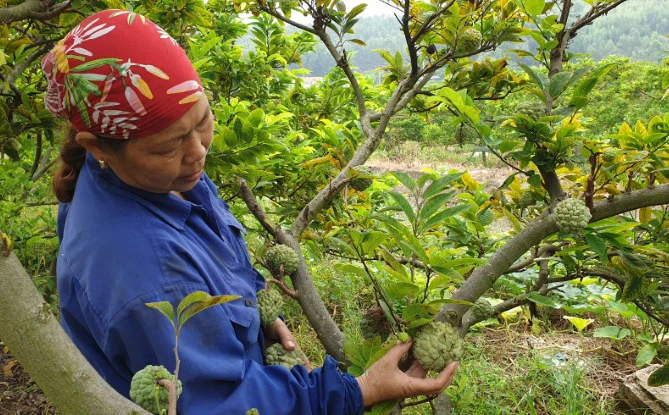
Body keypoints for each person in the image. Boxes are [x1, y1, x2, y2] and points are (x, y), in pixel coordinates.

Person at [44, 9, 458, 414]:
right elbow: (214, 404)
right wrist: (358, 390)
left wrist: (257, 316)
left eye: (203, 120)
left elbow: (217, 259)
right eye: (169, 145)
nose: (198, 152)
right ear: (98, 146)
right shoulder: (146, 273)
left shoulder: (151, 178)